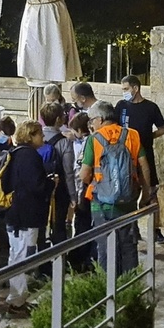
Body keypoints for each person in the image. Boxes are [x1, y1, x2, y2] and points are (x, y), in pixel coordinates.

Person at [79, 100, 151, 277]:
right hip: (128, 199)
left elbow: (84, 174)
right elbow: (144, 166)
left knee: (105, 246)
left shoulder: (94, 139)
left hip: (101, 203)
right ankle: (129, 285)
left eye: (92, 120)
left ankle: (108, 285)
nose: (91, 124)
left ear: (101, 119)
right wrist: (146, 194)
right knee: (128, 244)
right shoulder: (132, 135)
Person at [1, 120, 55, 315]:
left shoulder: (15, 153)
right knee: (22, 258)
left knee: (16, 256)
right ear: (30, 136)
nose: (43, 137)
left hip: (15, 215)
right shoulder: (30, 156)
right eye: (39, 134)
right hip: (25, 217)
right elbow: (37, 186)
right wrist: (51, 183)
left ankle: (18, 299)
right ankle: (16, 303)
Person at [117, 74, 164, 244]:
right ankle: (133, 228)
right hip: (126, 157)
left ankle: (155, 230)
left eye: (126, 89)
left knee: (151, 191)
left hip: (146, 154)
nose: (124, 92)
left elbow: (162, 129)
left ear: (136, 88)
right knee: (130, 192)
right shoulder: (121, 106)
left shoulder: (151, 107)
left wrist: (147, 137)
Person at [61, 112, 96, 271]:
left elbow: (79, 172)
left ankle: (80, 260)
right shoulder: (91, 140)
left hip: (85, 191)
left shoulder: (87, 143)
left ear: (80, 131)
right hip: (90, 190)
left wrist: (75, 196)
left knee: (82, 224)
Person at [38, 103, 73, 248]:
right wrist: (73, 195)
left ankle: (41, 255)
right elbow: (69, 171)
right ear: (59, 119)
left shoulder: (35, 137)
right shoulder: (65, 142)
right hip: (59, 190)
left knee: (40, 226)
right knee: (58, 225)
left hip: (39, 188)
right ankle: (60, 256)